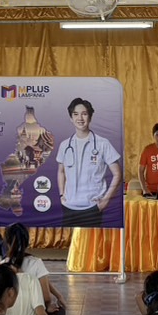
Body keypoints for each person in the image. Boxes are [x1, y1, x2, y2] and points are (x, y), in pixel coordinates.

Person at [2, 224, 77, 315]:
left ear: (6, 242)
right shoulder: (32, 274)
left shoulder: (0, 267)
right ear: (27, 242)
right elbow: (41, 310)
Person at [56, 97, 122, 227]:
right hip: (68, 207)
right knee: (69, 240)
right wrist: (62, 195)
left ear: (90, 117)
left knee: (91, 240)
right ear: (71, 118)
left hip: (92, 208)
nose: (80, 118)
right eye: (76, 114)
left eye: (84, 114)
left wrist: (105, 200)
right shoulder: (64, 145)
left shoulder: (103, 143)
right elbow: (61, 171)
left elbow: (118, 174)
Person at [4, 223, 69, 315]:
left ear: (7, 242)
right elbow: (46, 298)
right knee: (60, 312)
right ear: (27, 242)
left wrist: (58, 295)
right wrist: (48, 306)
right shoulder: (35, 263)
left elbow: (43, 280)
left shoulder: (1, 265)